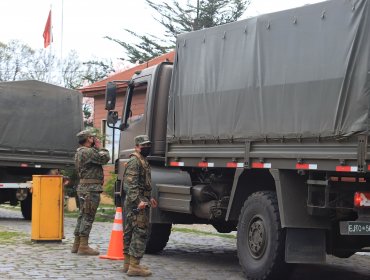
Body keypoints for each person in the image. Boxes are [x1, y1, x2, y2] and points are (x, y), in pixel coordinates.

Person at [121, 135, 158, 277]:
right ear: (137, 146)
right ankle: (134, 266)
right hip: (136, 202)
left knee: (130, 230)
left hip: (140, 199)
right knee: (139, 232)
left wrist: (149, 198)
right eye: (143, 145)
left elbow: (143, 183)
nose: (147, 147)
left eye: (148, 145)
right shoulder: (134, 161)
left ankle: (127, 263)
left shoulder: (142, 160)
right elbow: (130, 184)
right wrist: (139, 201)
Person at [71, 129, 110, 256]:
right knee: (88, 216)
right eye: (92, 137)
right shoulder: (88, 152)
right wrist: (101, 147)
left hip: (83, 187)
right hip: (90, 189)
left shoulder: (79, 152)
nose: (94, 139)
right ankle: (83, 246)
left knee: (82, 215)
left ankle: (77, 244)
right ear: (88, 139)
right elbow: (104, 158)